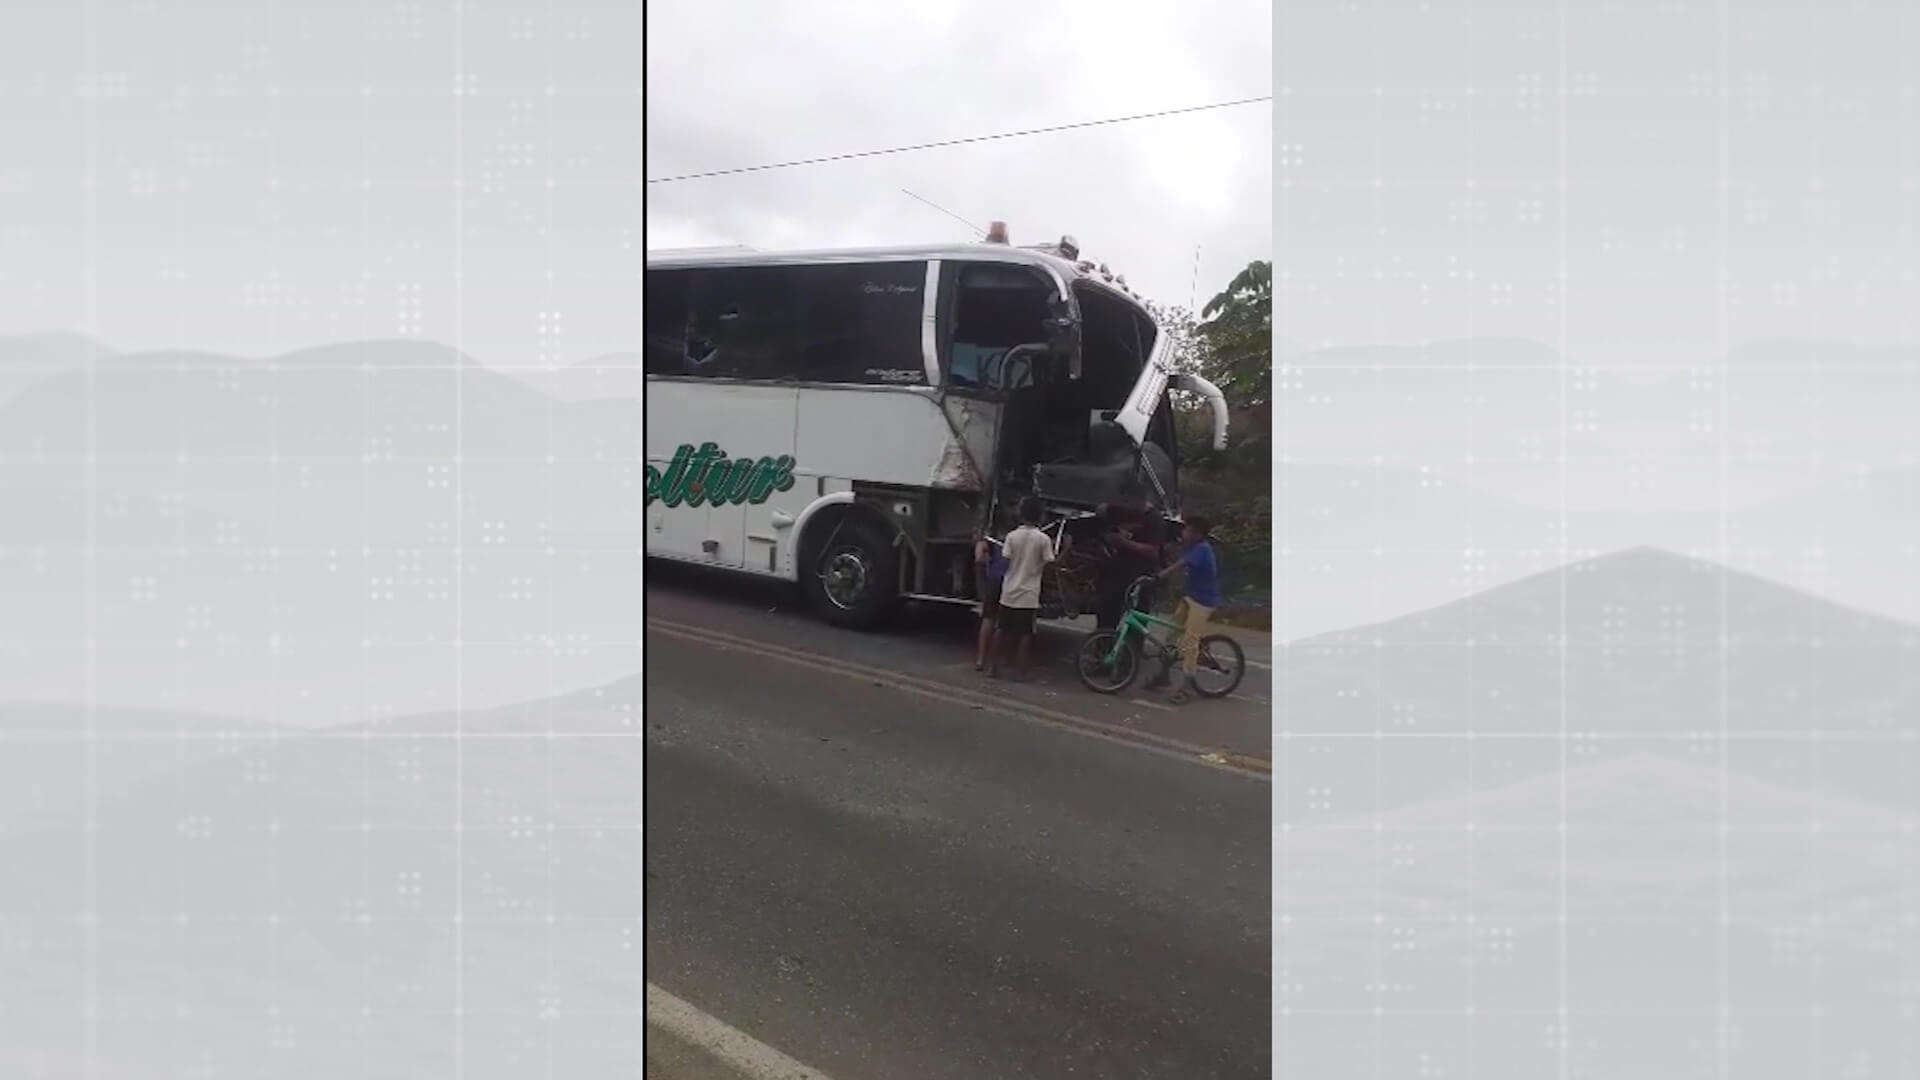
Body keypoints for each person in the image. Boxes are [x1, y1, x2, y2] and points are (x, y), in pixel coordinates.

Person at [1148, 514, 1222, 705]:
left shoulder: (1202, 549)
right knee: (1171, 636)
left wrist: (1161, 576)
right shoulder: (1191, 546)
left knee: (1190, 640)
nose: (1184, 532)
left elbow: (1181, 565)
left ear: (1197, 534)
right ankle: (1163, 675)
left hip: (1203, 601)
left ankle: (1187, 687)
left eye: (1188, 530)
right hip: (1189, 597)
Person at [990, 496, 1055, 680]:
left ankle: (993, 667)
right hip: (1029, 593)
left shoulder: (1011, 536)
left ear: (1021, 514)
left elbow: (1005, 560)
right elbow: (1050, 563)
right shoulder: (1043, 539)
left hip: (1009, 590)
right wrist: (1065, 551)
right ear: (1040, 516)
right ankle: (1020, 673)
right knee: (1025, 634)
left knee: (1001, 628)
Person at [972, 515, 1010, 672]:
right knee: (1002, 624)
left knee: (987, 620)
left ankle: (980, 659)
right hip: (1009, 581)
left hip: (993, 580)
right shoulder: (1015, 537)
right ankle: (995, 663)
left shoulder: (991, 536)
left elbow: (979, 558)